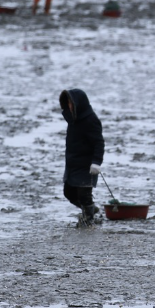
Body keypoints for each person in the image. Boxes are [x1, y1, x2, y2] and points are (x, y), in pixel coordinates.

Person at [60, 88, 104, 227]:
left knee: (84, 194)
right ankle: (90, 209)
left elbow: (99, 143)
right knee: (69, 192)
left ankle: (88, 218)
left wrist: (96, 162)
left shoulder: (91, 120)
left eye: (71, 103)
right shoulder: (73, 120)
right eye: (67, 103)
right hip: (73, 164)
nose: (69, 106)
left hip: (87, 165)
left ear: (79, 104)